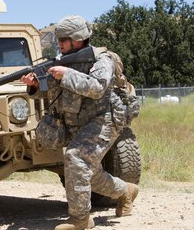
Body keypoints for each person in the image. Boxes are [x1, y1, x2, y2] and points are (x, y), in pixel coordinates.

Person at [20, 15, 139, 230]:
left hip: (103, 119)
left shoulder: (102, 60)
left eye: (64, 39)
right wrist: (35, 86)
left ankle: (80, 219)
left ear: (78, 39)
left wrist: (66, 74)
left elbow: (96, 88)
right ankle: (126, 192)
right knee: (88, 173)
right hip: (77, 122)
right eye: (59, 39)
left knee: (75, 158)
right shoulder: (62, 61)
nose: (60, 43)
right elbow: (53, 96)